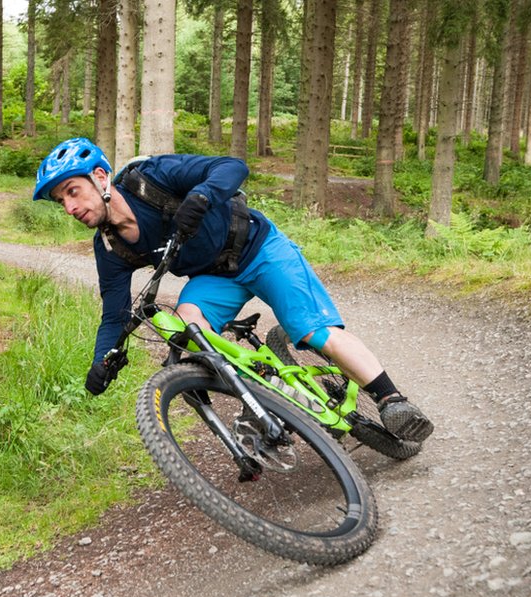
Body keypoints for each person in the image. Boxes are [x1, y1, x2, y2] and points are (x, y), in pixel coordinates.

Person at [32, 137, 433, 445]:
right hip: (214, 277)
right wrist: (102, 361)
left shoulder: (150, 178)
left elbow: (231, 167)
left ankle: (391, 400)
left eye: (72, 191)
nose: (69, 206)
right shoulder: (110, 248)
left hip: (259, 249)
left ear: (100, 178)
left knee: (312, 332)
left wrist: (202, 195)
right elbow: (114, 314)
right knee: (187, 330)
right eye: (60, 201)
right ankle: (265, 391)